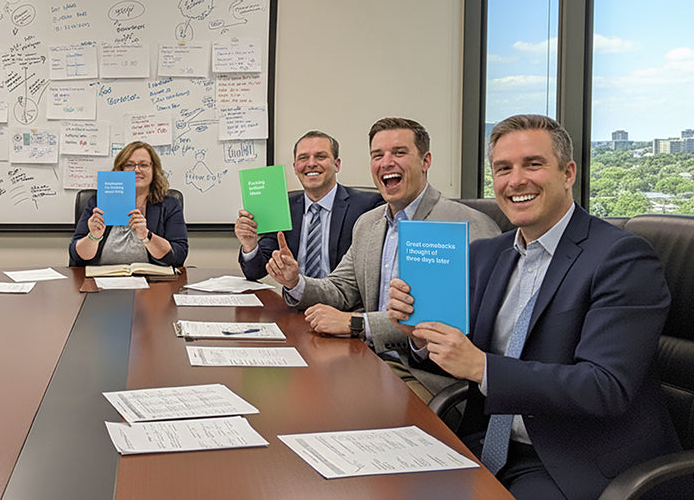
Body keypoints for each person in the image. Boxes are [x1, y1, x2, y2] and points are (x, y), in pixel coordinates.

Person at [388, 115, 680, 499]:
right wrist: (422, 336)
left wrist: (482, 367)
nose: (516, 180)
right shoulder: (486, 254)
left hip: (572, 459)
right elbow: (459, 355)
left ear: (568, 173)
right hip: (485, 441)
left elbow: (604, 387)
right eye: (503, 168)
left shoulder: (622, 258)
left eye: (533, 164)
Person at [267, 117, 500, 401]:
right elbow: (340, 290)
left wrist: (358, 323)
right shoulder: (368, 224)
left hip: (426, 377)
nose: (386, 162)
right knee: (289, 395)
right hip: (364, 359)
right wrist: (295, 282)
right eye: (378, 155)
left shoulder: (462, 226)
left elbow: (444, 325)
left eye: (399, 153)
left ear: (426, 161)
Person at [235, 130, 382, 281]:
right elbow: (255, 272)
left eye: (321, 157)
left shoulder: (367, 207)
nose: (311, 164)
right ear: (295, 167)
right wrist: (250, 245)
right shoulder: (284, 206)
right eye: (303, 158)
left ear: (337, 165)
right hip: (296, 299)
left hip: (343, 302)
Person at [69, 141, 188, 267]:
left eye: (144, 165)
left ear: (154, 170)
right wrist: (93, 237)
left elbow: (179, 255)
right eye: (130, 165)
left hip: (152, 282)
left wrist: (147, 236)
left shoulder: (169, 205)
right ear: (121, 169)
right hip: (101, 279)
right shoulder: (98, 201)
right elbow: (76, 255)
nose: (137, 170)